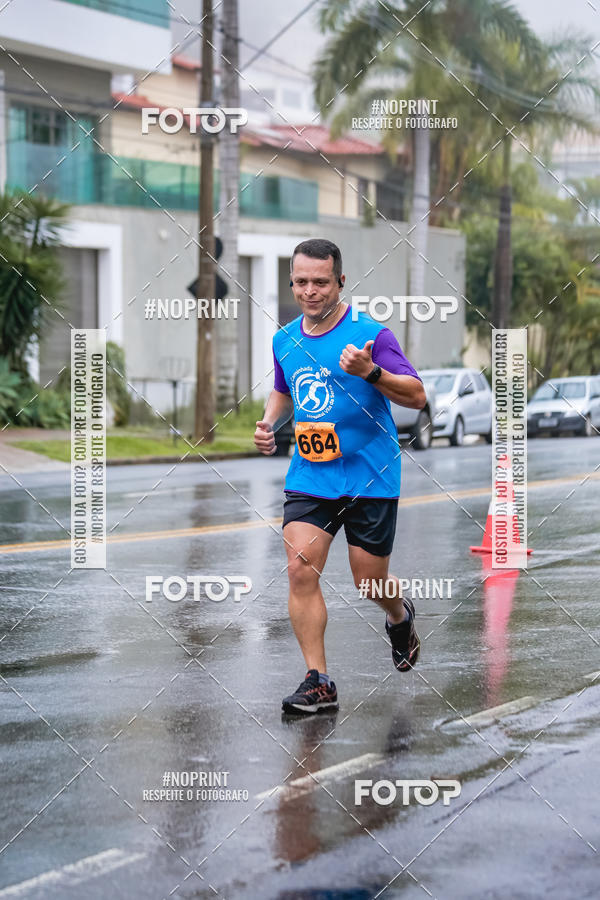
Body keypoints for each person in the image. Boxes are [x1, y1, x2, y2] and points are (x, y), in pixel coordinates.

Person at [254, 238, 426, 714]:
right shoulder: (284, 339)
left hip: (371, 475)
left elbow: (416, 396)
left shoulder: (371, 335)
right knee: (299, 567)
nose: (311, 291)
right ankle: (319, 681)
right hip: (312, 474)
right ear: (292, 283)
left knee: (370, 582)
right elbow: (283, 390)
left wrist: (372, 373)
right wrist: (270, 423)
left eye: (321, 282)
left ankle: (399, 615)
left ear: (340, 282)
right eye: (302, 282)